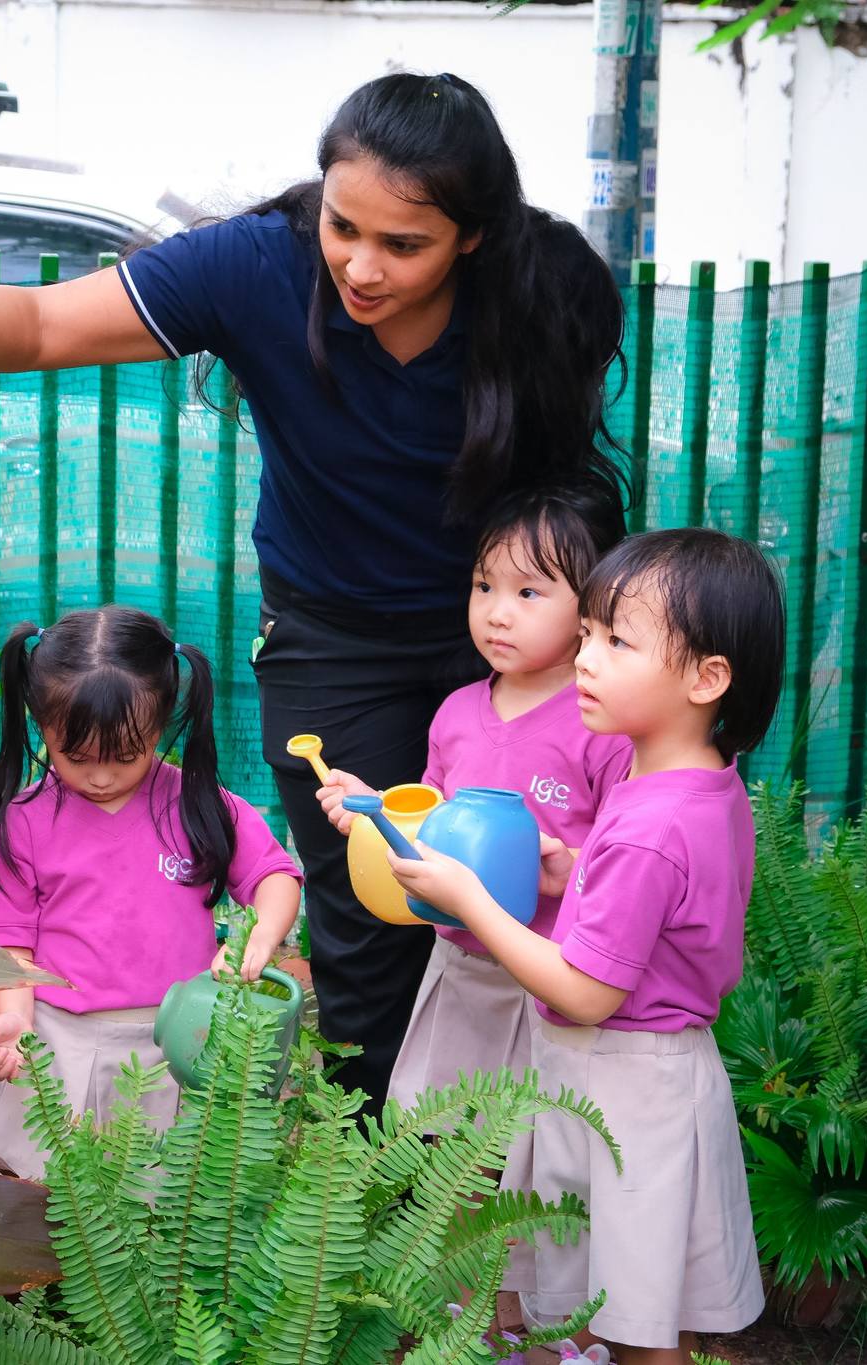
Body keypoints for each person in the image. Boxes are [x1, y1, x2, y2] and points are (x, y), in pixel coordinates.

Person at [0, 73, 623, 1110]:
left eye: (403, 245)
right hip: (334, 645)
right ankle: (390, 1184)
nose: (359, 264)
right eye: (343, 226)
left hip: (507, 632)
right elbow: (35, 325)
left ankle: (542, 1160)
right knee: (368, 913)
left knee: (541, 890)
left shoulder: (542, 290)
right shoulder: (255, 268)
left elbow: (568, 498)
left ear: (469, 238)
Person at [385, 529, 780, 1363]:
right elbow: (663, 914)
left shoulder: (650, 826)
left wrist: (474, 901)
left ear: (708, 678)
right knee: (647, 1309)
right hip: (648, 1079)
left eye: (617, 641)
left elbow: (586, 989)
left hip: (623, 1089)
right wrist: (567, 875)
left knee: (640, 1331)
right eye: (590, 632)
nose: (586, 658)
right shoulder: (697, 785)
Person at [315, 478, 631, 1313]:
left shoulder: (600, 721)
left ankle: (552, 1319)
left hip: (546, 986)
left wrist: (577, 863)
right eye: (485, 585)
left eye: (530, 591)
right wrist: (370, 810)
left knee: (540, 1159)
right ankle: (468, 1314)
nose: (497, 610)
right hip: (460, 978)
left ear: (595, 606)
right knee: (453, 1149)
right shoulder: (457, 712)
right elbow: (428, 833)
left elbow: (629, 856)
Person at [0, 606, 301, 1177]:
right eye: (76, 756)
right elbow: (11, 948)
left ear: (162, 722)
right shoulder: (23, 823)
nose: (100, 776)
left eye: (125, 755)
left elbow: (274, 875)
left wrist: (262, 934)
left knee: (170, 1213)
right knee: (53, 1210)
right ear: (39, 722)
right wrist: (16, 1020)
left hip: (182, 1043)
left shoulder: (198, 805)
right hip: (62, 1045)